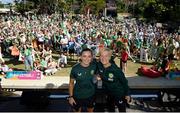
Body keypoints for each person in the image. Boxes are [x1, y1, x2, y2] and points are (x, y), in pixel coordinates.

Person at [98, 48, 131, 112]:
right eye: (101, 56)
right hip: (109, 94)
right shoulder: (99, 66)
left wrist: (127, 94)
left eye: (106, 56)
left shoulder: (116, 70)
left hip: (119, 94)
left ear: (109, 57)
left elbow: (124, 82)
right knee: (111, 110)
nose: (103, 58)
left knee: (122, 110)